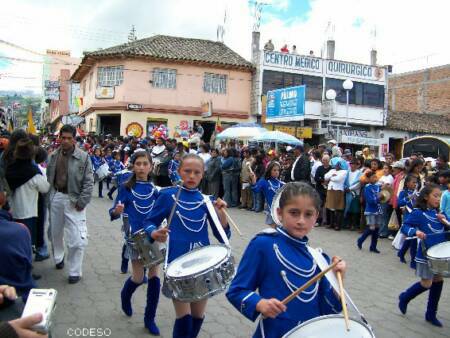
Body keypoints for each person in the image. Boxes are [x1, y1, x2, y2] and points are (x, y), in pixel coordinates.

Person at [226, 182, 346, 338]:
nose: (301, 221)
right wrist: (260, 303)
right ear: (280, 213)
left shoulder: (320, 259)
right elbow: (236, 291)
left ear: (316, 216)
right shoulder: (264, 245)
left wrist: (338, 280)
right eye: (294, 213)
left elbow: (329, 311)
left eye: (308, 214)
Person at [143, 154, 230, 338]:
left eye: (196, 172)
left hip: (202, 266)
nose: (191, 176)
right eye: (187, 171)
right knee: (184, 318)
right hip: (177, 266)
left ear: (202, 174)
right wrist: (154, 233)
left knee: (198, 316)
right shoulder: (168, 196)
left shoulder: (206, 200)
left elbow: (223, 235)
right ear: (179, 171)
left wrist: (221, 213)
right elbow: (149, 221)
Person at [109, 151, 161, 335]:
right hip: (134, 238)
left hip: (152, 237)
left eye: (144, 163)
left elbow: (161, 213)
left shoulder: (155, 190)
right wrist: (117, 210)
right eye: (137, 163)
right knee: (138, 278)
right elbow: (113, 213)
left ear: (150, 166)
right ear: (133, 165)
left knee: (155, 277)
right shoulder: (126, 187)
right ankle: (125, 296)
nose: (141, 167)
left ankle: (149, 318)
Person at [47, 124, 94, 284]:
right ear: (59, 138)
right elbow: (49, 179)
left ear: (74, 139)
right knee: (55, 233)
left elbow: (89, 182)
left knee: (77, 238)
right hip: (57, 197)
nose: (65, 141)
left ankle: (75, 271)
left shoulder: (84, 157)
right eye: (63, 137)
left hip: (75, 200)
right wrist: (50, 198)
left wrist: (82, 201)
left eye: (69, 138)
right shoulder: (53, 156)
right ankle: (59, 257)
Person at [398, 184, 449, 327]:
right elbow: (405, 227)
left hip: (439, 256)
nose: (438, 199)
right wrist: (416, 232)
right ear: (426, 197)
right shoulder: (418, 213)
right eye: (435, 196)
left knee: (438, 281)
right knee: (427, 283)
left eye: (439, 196)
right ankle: (405, 297)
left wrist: (444, 221)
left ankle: (431, 314)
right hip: (426, 255)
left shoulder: (439, 214)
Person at [5, 138, 50, 248]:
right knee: (26, 244)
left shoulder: (9, 169)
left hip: (11, 212)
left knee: (14, 243)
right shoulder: (34, 173)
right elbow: (45, 188)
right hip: (28, 214)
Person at [250, 161, 285, 228]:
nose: (277, 172)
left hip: (281, 210)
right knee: (274, 231)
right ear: (269, 171)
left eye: (278, 170)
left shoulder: (280, 183)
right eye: (274, 170)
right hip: (272, 210)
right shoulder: (264, 181)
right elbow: (256, 190)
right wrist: (253, 180)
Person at [357, 171, 382, 253]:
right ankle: (360, 240)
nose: (375, 178)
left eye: (376, 177)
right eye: (373, 177)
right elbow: (370, 201)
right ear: (368, 179)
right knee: (371, 228)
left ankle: (373, 247)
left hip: (378, 210)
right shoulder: (367, 188)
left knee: (376, 229)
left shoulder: (378, 187)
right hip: (370, 210)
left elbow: (383, 197)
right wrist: (379, 198)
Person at [397, 175, 419, 267]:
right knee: (412, 238)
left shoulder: (417, 193)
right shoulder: (403, 192)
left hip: (416, 217)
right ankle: (413, 261)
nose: (415, 184)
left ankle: (402, 253)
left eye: (416, 182)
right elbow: (400, 203)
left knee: (411, 238)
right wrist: (409, 198)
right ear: (407, 183)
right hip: (408, 218)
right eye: (413, 182)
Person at [324, 160, 347, 231]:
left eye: (337, 165)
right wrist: (332, 175)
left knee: (338, 208)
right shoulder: (332, 170)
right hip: (330, 190)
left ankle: (338, 225)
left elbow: (338, 179)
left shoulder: (344, 172)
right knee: (331, 207)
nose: (336, 166)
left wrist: (330, 177)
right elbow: (325, 176)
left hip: (338, 190)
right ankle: (331, 224)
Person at [344, 158, 362, 231]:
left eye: (354, 164)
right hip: (347, 193)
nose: (352, 166)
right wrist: (345, 188)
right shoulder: (347, 172)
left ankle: (353, 224)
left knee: (354, 210)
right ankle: (347, 223)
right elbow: (344, 182)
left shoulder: (360, 173)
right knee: (348, 209)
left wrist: (350, 188)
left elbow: (359, 183)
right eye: (351, 164)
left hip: (355, 193)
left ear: (357, 165)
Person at [314, 155, 332, 226]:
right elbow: (316, 178)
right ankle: (318, 220)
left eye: (326, 160)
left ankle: (327, 221)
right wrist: (323, 180)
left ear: (328, 161)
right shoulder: (319, 168)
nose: (324, 162)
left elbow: (332, 177)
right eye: (323, 160)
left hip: (328, 188)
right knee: (319, 204)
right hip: (320, 188)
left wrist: (324, 180)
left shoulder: (331, 168)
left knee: (328, 205)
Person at [378, 164, 394, 238]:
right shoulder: (382, 177)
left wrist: (381, 185)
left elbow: (385, 186)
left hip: (386, 198)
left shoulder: (390, 177)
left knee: (384, 215)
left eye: (386, 168)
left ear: (390, 170)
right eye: (383, 168)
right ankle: (381, 230)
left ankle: (384, 232)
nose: (384, 170)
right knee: (381, 215)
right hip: (381, 197)